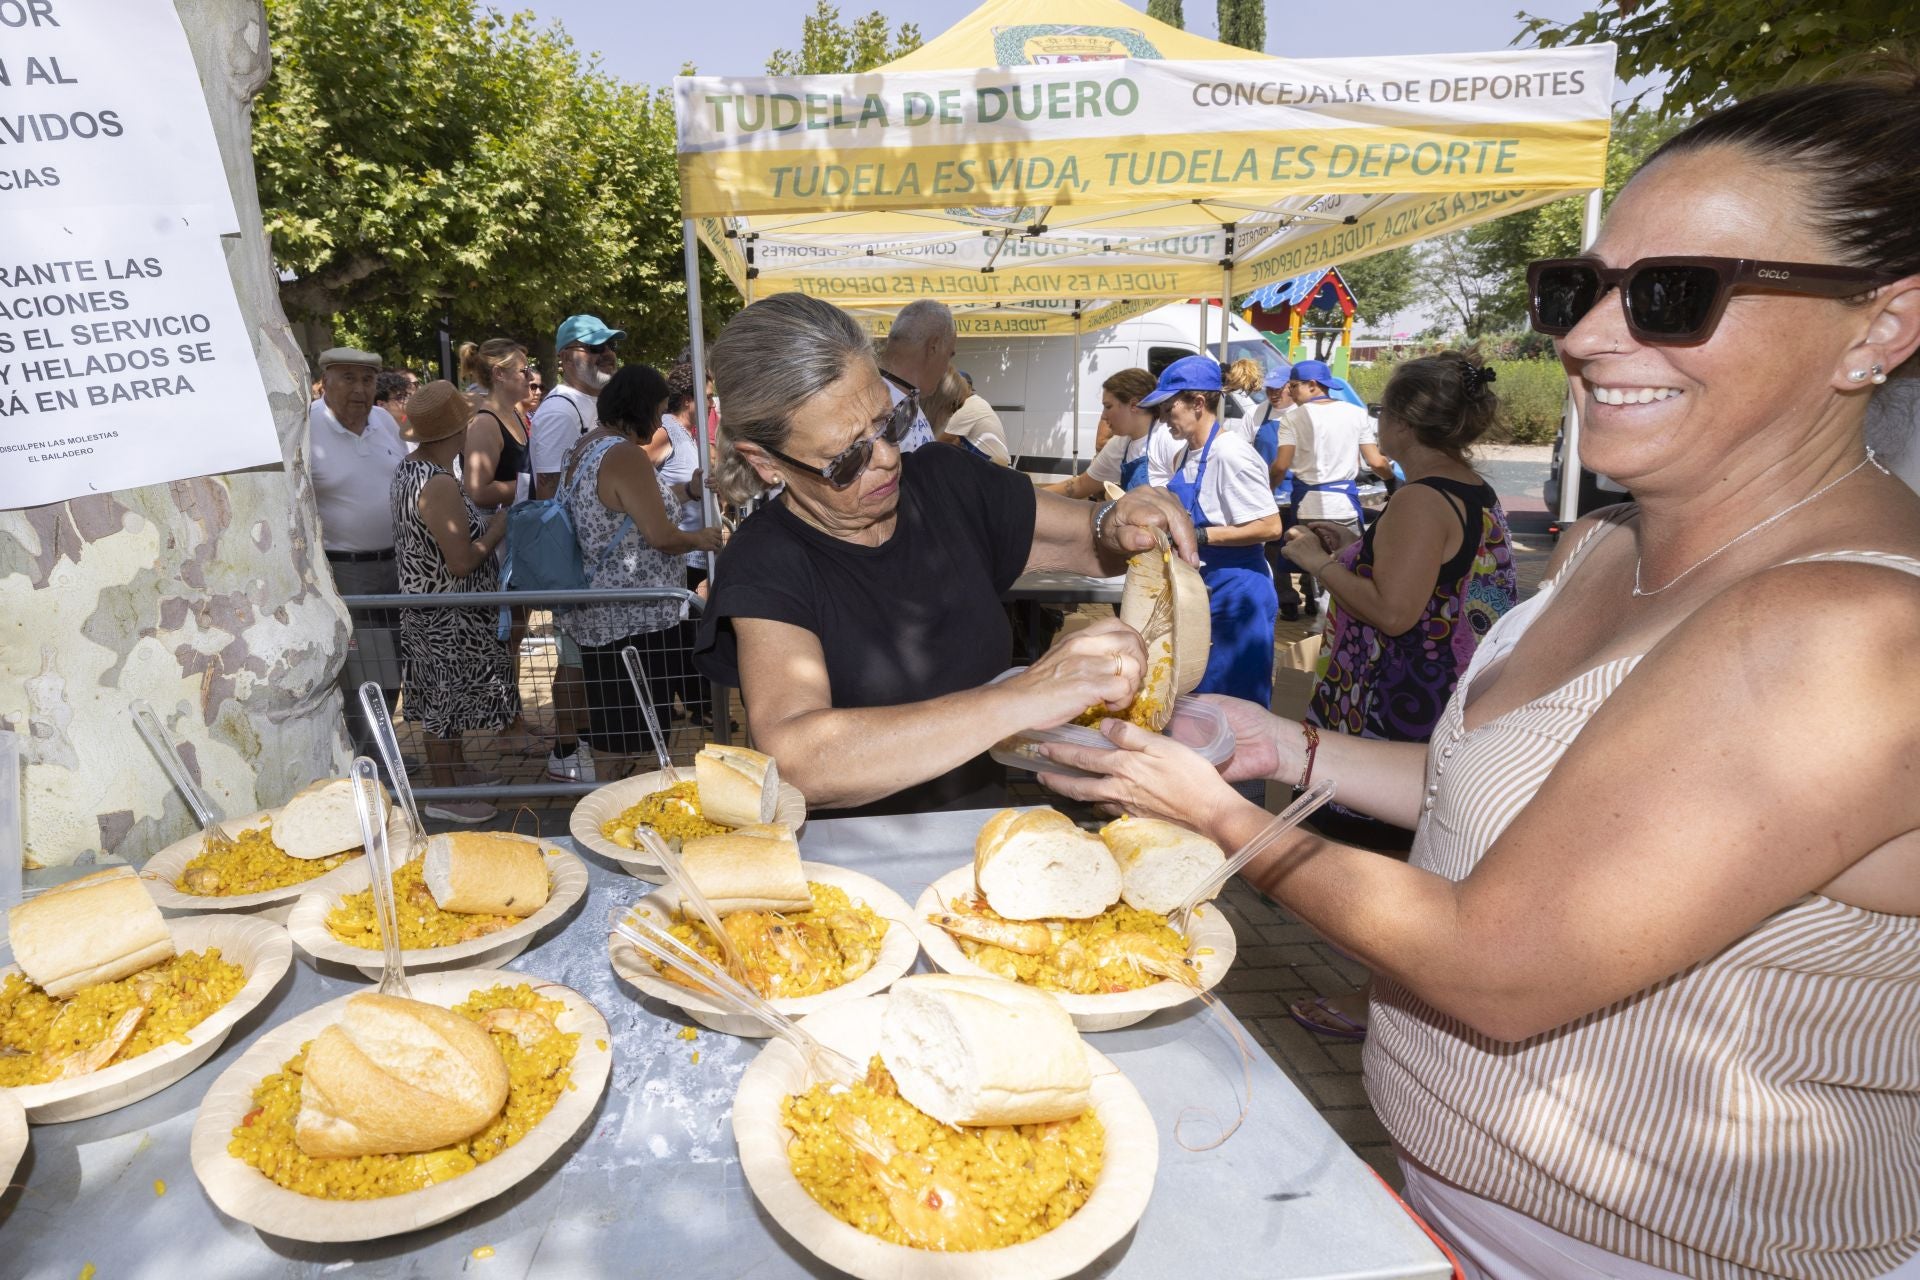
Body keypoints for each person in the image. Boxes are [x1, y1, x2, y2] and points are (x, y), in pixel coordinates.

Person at [1038, 72, 1920, 1280]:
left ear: (1881, 326)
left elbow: (1497, 965)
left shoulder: (1849, 628)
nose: (1585, 336)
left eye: (1674, 295)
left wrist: (1220, 821)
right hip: (1455, 1210)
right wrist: (1279, 745)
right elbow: (1506, 788)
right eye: (1578, 287)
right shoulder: (1616, 539)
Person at [692, 292, 1197, 819]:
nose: (887, 459)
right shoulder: (766, 560)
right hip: (847, 881)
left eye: (888, 424)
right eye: (846, 458)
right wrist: (1025, 696)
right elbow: (796, 759)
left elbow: (1095, 544)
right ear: (765, 463)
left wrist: (1117, 522)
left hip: (981, 855)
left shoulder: (946, 481)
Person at [1278, 352, 1519, 1039]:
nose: (1376, 420)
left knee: (1381, 864)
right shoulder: (1469, 489)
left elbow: (1395, 611)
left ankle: (1381, 998)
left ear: (1408, 420)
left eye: (1384, 409)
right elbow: (1435, 578)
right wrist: (1355, 545)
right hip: (1442, 695)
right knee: (1414, 854)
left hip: (1395, 703)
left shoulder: (1420, 497)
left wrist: (1320, 564)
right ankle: (1386, 991)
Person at [558, 365, 724, 780]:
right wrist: (705, 538)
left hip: (608, 615)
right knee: (635, 738)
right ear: (641, 408)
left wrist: (686, 491)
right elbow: (661, 535)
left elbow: (628, 507)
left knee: (615, 732)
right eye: (659, 410)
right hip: (634, 621)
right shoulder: (624, 455)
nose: (661, 420)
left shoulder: (589, 446)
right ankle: (627, 817)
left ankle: (615, 807)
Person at [388, 381, 519, 824]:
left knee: (446, 699)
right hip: (446, 613)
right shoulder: (438, 481)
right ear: (456, 432)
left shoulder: (412, 470)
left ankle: (455, 774)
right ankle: (445, 791)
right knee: (443, 703)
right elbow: (460, 561)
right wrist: (497, 530)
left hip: (436, 610)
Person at [1145, 355, 1284, 710]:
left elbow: (1270, 525)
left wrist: (1200, 537)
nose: (1162, 417)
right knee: (1198, 703)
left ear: (1198, 403)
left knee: (1233, 709)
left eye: (1167, 406)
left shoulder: (1230, 453)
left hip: (1239, 596)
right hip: (1202, 592)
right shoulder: (1183, 455)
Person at [529, 313, 621, 783]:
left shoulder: (592, 405)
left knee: (585, 656)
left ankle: (581, 740)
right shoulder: (560, 410)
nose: (605, 353)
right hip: (574, 561)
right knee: (571, 657)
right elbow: (548, 492)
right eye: (593, 347)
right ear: (565, 357)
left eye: (609, 345)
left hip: (593, 560)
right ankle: (565, 750)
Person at [308, 346, 410, 757]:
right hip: (346, 571)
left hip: (397, 565)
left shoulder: (384, 421)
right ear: (325, 382)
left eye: (367, 380)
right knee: (365, 669)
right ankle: (366, 761)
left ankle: (379, 753)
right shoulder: (306, 426)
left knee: (392, 666)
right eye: (348, 378)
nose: (360, 389)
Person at [1271, 357, 1394, 615]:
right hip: (1344, 507)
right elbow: (1376, 462)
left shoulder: (1292, 419)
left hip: (1306, 506)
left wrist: (1267, 492)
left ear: (1313, 385)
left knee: (1313, 565)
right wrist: (1394, 483)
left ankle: (1317, 622)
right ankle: (1339, 621)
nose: (1290, 392)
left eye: (1293, 386)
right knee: (1348, 569)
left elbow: (1281, 466)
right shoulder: (1356, 413)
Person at [1045, 368, 1158, 499]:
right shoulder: (1121, 444)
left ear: (1134, 405)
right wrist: (1030, 493)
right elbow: (1081, 485)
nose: (1104, 416)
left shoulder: (1166, 438)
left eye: (1108, 406)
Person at [458, 339, 534, 512]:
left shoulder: (514, 412)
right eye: (524, 371)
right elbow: (478, 492)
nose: (531, 376)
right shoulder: (484, 423)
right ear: (499, 373)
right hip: (497, 533)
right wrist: (534, 483)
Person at [877, 299, 955, 453]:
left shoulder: (904, 398)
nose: (947, 368)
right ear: (934, 346)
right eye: (949, 355)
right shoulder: (878, 405)